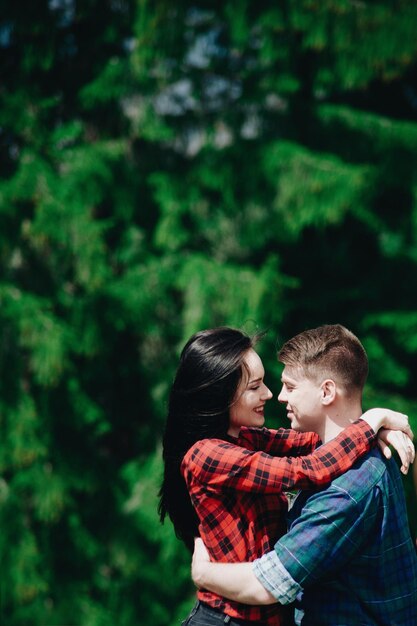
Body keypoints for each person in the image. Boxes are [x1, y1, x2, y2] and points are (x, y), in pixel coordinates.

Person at [191, 324, 417, 625]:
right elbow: (311, 454)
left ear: (326, 391)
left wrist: (204, 573)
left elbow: (270, 583)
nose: (278, 396)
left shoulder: (347, 490)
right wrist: (370, 424)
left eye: (291, 386)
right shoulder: (363, 455)